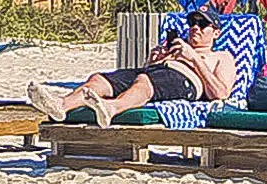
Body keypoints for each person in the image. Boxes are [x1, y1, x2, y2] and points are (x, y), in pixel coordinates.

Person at [27, 7, 238, 128]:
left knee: (144, 82)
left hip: (187, 81)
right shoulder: (177, 47)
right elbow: (151, 72)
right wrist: (154, 60)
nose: (195, 28)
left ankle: (111, 108)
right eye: (192, 23)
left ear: (216, 33)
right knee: (100, 80)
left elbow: (220, 93)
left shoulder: (221, 56)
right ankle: (61, 106)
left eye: (202, 25)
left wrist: (194, 59)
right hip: (157, 72)